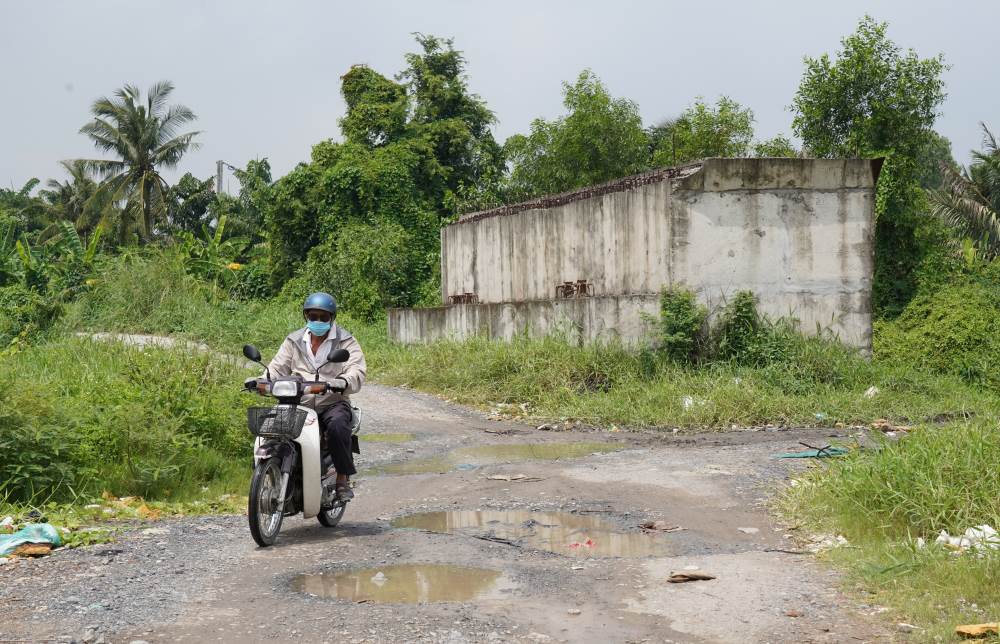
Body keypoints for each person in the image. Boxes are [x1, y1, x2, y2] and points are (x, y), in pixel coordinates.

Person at [258, 292, 367, 500]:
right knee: (270, 428)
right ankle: (269, 474)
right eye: (313, 316)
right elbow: (277, 366)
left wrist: (342, 382)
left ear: (332, 318)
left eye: (323, 317)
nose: (317, 321)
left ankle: (342, 479)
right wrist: (262, 380)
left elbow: (356, 369)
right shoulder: (294, 340)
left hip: (331, 400)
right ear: (306, 316)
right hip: (298, 401)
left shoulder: (345, 341)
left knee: (338, 426)